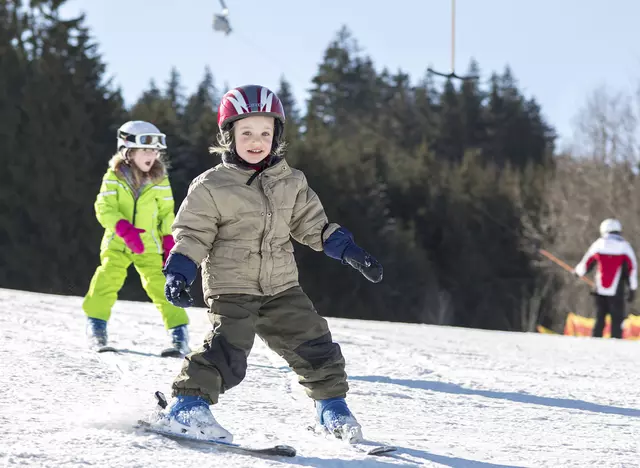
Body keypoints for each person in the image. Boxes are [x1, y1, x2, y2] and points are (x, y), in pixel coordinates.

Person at [157, 84, 383, 443]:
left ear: (277, 135)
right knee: (227, 348)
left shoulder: (291, 182)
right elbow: (192, 235)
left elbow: (313, 225)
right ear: (228, 136)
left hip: (281, 287)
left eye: (265, 131)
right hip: (232, 288)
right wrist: (180, 273)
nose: (256, 140)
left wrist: (349, 250)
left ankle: (331, 409)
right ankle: (186, 406)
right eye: (246, 132)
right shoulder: (211, 186)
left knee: (314, 341)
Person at [82, 121, 190, 355]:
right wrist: (124, 229)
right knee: (107, 279)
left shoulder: (160, 179)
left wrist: (168, 241)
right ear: (128, 151)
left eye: (155, 150)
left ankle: (179, 334)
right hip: (118, 242)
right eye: (145, 149)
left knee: (162, 286)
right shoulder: (114, 176)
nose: (152, 155)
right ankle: (96, 328)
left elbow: (166, 212)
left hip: (148, 246)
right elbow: (104, 206)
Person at [574, 218, 637, 339]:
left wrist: (577, 272)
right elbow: (632, 269)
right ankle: (616, 342)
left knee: (599, 317)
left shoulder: (598, 244)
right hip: (617, 291)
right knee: (617, 319)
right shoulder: (625, 247)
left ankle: (595, 341)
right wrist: (632, 289)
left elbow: (586, 263)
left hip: (599, 289)